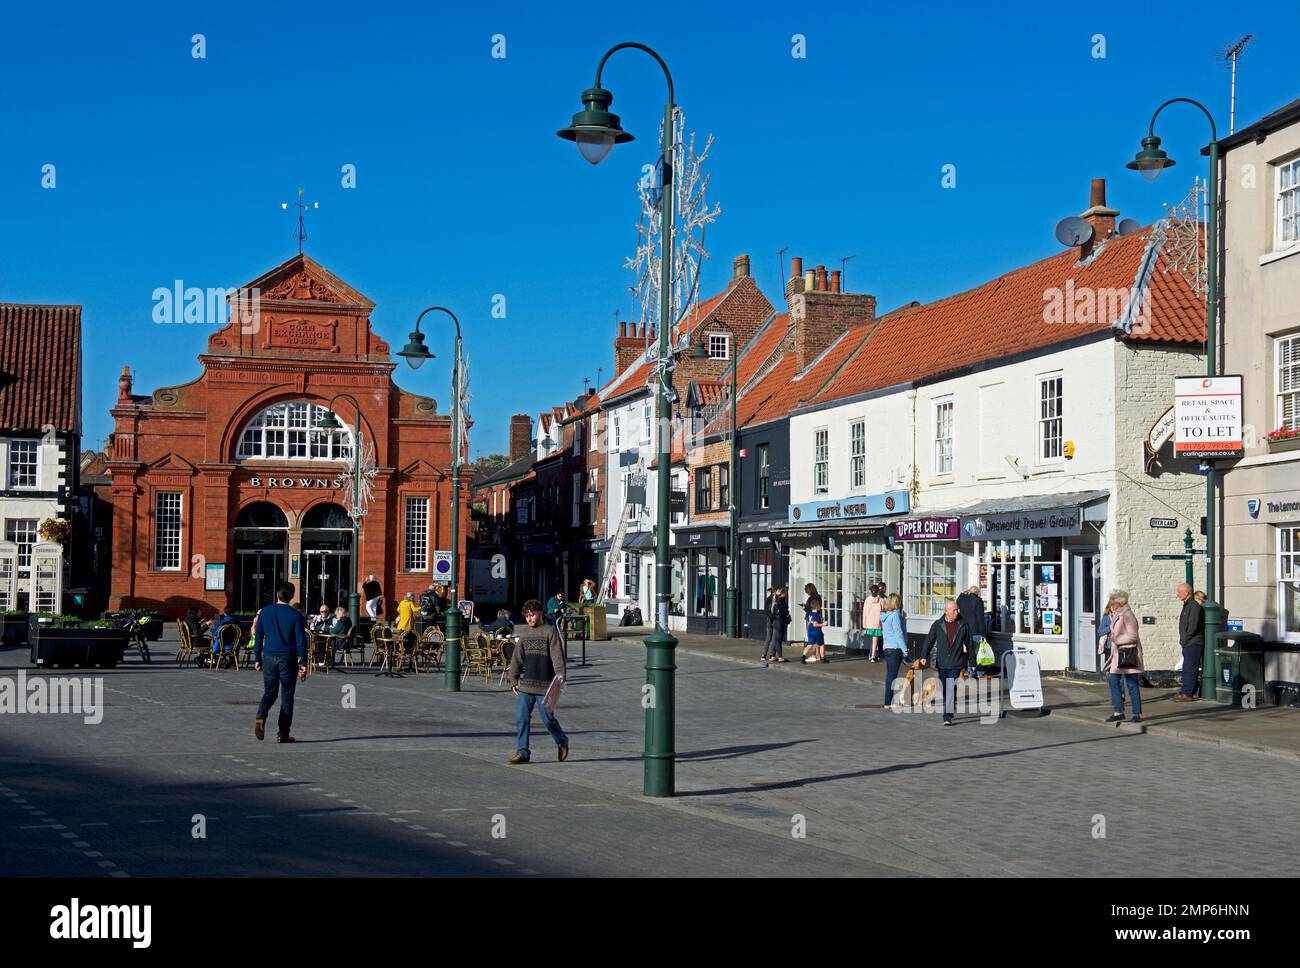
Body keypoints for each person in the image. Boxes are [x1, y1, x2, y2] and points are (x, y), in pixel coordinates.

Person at [506, 599, 569, 764]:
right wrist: (513, 679)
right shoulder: (525, 634)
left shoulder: (550, 632)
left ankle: (562, 741)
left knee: (548, 719)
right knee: (522, 718)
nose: (529, 618)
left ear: (540, 613)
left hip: (546, 687)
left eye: (532, 615)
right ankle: (523, 752)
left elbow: (558, 658)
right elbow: (516, 659)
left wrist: (560, 677)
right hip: (526, 686)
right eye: (527, 616)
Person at [253, 581, 309, 744]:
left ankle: (261, 715)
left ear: (277, 595)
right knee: (287, 696)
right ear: (291, 597)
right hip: (288, 658)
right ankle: (282, 733)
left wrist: (257, 658)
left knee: (269, 692)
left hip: (269, 656)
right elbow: (301, 641)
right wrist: (303, 663)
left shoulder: (265, 612)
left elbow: (258, 637)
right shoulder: (295, 615)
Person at [920, 600, 971, 725]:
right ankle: (949, 708)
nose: (957, 612)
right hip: (942, 662)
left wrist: (973, 662)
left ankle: (947, 716)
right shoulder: (938, 624)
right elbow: (929, 640)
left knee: (951, 687)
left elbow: (970, 644)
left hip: (956, 662)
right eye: (954, 610)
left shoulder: (963, 625)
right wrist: (923, 656)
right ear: (946, 611)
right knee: (944, 689)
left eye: (957, 609)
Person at [1101, 590, 1143, 723]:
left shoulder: (1128, 615)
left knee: (1131, 684)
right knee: (1113, 681)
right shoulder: (1118, 614)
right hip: (1118, 655)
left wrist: (1117, 639)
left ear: (1119, 604)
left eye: (1113, 603)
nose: (1111, 606)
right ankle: (1118, 712)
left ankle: (1136, 714)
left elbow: (1133, 636)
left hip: (1127, 654)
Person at [1175, 582, 1204, 702]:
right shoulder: (1187, 605)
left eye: (1179, 592)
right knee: (1186, 667)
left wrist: (1185, 639)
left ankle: (1188, 693)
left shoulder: (1193, 606)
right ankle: (1184, 691)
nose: (1177, 594)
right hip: (1188, 642)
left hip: (1193, 642)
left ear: (1186, 593)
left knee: (1191, 668)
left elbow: (1193, 626)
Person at [880, 593, 908, 706]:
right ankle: (888, 702)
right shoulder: (895, 615)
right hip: (895, 647)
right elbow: (898, 633)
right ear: (896, 603)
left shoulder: (885, 615)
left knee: (890, 675)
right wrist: (905, 649)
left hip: (887, 647)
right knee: (892, 676)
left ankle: (888, 701)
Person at [955, 585, 988, 676]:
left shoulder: (962, 600)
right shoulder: (978, 601)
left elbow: (958, 599)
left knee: (970, 651)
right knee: (978, 652)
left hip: (964, 630)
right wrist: (983, 632)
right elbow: (980, 618)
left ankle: (970, 671)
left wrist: (965, 592)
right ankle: (979, 672)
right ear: (977, 593)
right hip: (975, 630)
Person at [762, 587, 791, 663]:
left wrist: (772, 618)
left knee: (775, 639)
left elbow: (769, 612)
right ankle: (780, 657)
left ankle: (773, 656)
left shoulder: (775, 601)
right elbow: (783, 612)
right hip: (779, 621)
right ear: (783, 594)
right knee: (778, 640)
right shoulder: (781, 601)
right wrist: (787, 615)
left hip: (774, 621)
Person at [800, 596, 827, 663]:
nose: (820, 607)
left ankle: (803, 657)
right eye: (819, 606)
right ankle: (823, 659)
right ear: (817, 607)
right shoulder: (816, 615)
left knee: (809, 645)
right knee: (821, 645)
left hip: (811, 632)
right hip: (817, 632)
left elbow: (810, 623)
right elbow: (815, 624)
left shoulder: (810, 614)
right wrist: (823, 624)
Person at [861, 584, 884, 661]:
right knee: (875, 640)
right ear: (878, 591)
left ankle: (872, 655)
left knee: (873, 640)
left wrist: (865, 624)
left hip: (870, 623)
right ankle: (873, 656)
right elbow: (884, 611)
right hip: (877, 623)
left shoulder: (867, 600)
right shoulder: (881, 600)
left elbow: (865, 613)